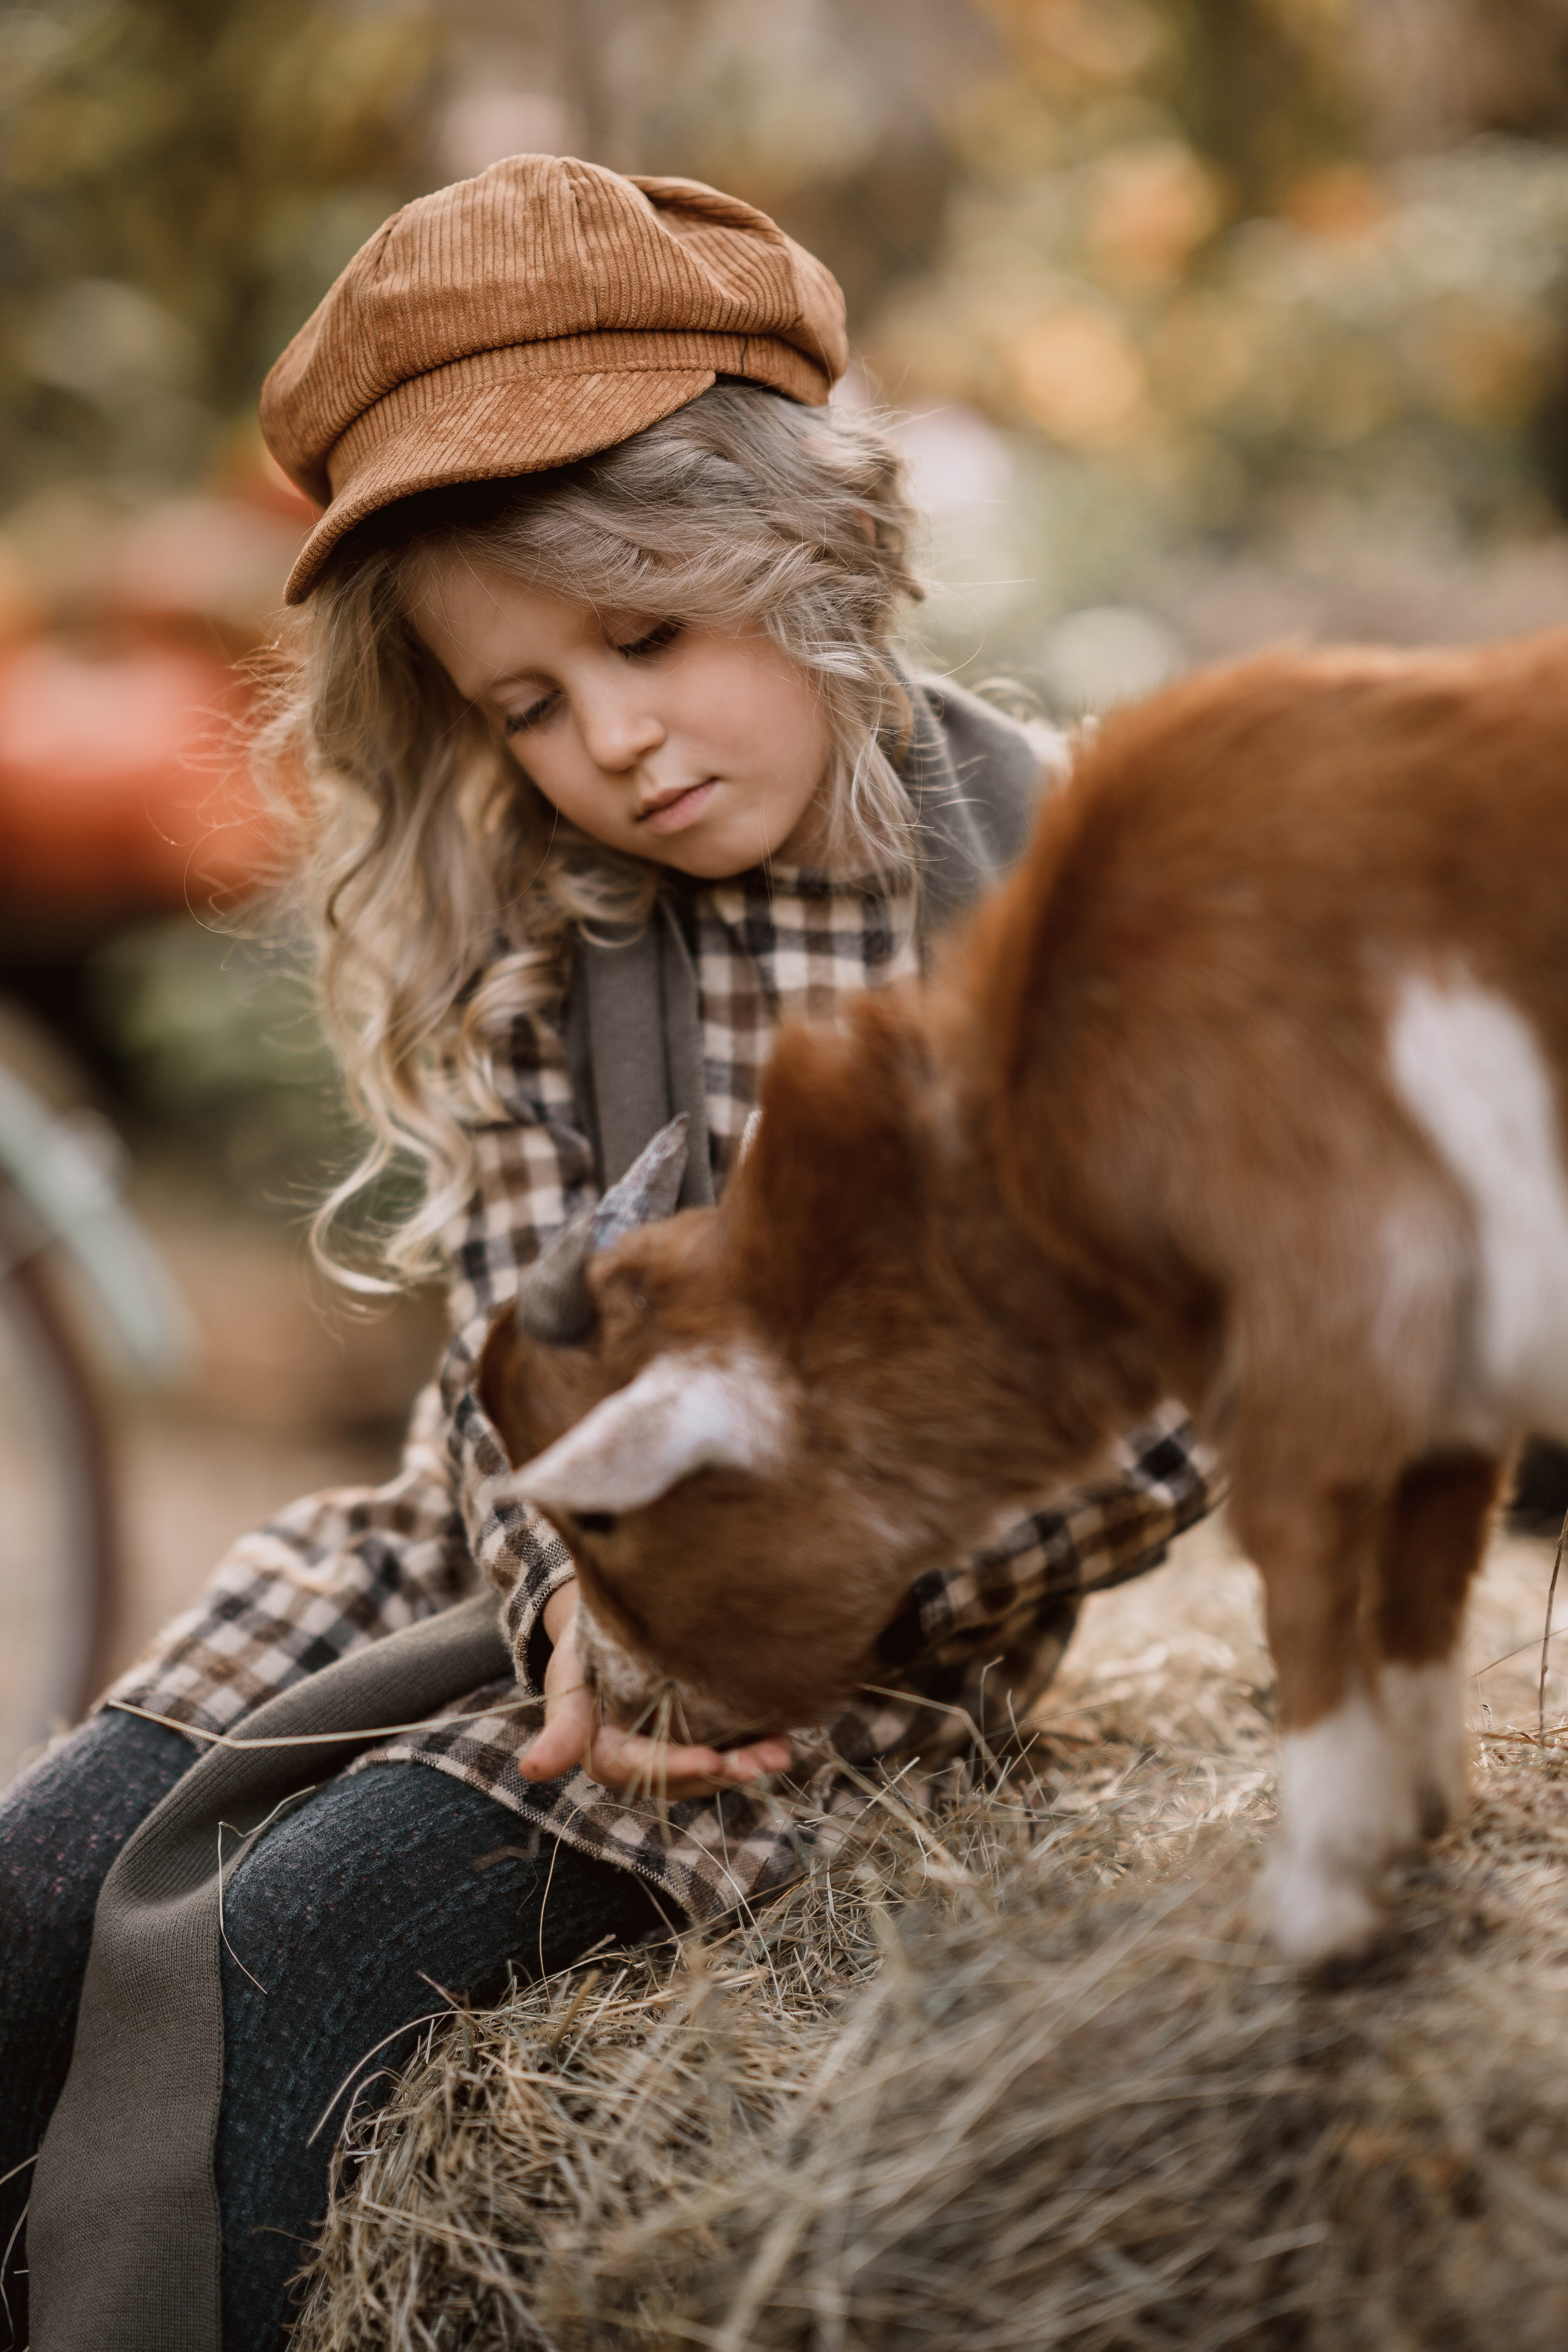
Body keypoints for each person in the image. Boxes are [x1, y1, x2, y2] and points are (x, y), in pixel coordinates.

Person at [0, 157, 1216, 2352]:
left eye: (644, 639)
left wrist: (713, 1608)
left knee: (287, 1969)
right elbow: (496, 1322)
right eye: (525, 704)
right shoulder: (564, 935)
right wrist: (570, 1581)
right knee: (35, 1890)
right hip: (487, 1569)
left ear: (813, 545)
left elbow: (1160, 1416)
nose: (608, 744)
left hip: (818, 1680)